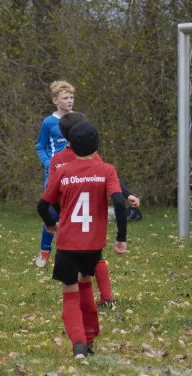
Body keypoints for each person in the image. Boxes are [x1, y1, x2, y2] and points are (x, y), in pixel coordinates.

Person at [37, 121, 128, 358]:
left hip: (67, 244)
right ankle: (89, 338)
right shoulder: (106, 169)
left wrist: (50, 223)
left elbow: (43, 205)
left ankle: (78, 343)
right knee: (86, 284)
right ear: (96, 144)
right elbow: (119, 202)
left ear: (71, 146)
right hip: (92, 245)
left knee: (70, 292)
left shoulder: (64, 171)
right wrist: (121, 237)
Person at [48, 112, 140, 307]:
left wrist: (59, 216)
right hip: (89, 216)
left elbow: (51, 194)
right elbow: (109, 176)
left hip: (70, 217)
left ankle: (90, 302)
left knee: (81, 260)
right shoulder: (90, 154)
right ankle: (105, 298)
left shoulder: (58, 159)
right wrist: (126, 194)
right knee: (94, 255)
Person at [35, 81, 75, 267]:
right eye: (65, 97)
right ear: (55, 100)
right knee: (52, 215)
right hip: (54, 175)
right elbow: (40, 146)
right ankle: (45, 252)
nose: (69, 101)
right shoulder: (49, 122)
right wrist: (47, 163)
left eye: (71, 97)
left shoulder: (78, 119)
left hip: (74, 174)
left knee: (71, 214)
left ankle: (72, 252)